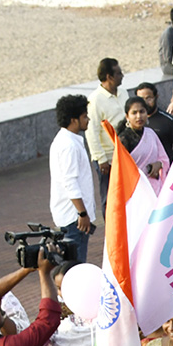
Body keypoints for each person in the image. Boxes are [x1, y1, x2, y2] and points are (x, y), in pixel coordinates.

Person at [48, 95, 96, 263]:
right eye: (84, 116)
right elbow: (70, 182)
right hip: (73, 220)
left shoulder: (67, 140)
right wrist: (82, 213)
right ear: (73, 120)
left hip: (71, 217)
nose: (88, 119)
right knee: (75, 266)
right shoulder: (68, 145)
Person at [85, 57, 123, 210]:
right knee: (109, 198)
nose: (123, 76)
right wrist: (101, 159)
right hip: (107, 159)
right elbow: (91, 131)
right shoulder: (95, 100)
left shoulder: (124, 93)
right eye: (119, 73)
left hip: (124, 154)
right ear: (109, 77)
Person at [116, 95, 168, 190]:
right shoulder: (124, 139)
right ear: (127, 116)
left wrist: (159, 164)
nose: (139, 116)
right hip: (136, 189)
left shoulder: (151, 133)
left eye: (142, 112)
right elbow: (120, 169)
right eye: (134, 113)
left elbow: (164, 158)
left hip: (155, 186)